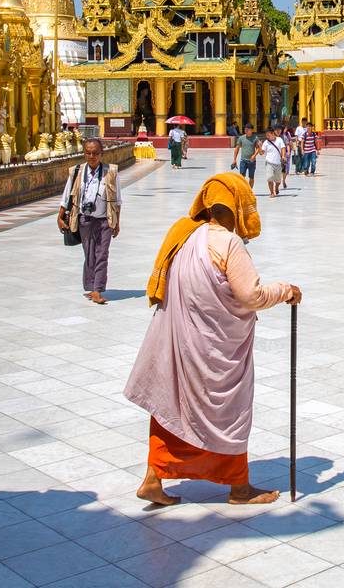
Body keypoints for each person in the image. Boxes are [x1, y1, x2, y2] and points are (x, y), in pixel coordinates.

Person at [128, 173, 301, 506]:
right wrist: (286, 291)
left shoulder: (185, 237)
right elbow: (250, 295)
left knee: (175, 406)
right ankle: (238, 488)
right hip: (215, 348)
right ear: (235, 208)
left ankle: (154, 477)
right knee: (227, 411)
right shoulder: (228, 243)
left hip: (182, 344)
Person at [59, 138, 122, 305]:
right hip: (84, 220)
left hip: (105, 220)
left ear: (101, 154)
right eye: (88, 153)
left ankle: (97, 289)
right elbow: (67, 196)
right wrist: (60, 216)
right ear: (84, 153)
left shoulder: (111, 172)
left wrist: (117, 222)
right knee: (89, 254)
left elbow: (117, 200)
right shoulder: (77, 172)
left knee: (102, 254)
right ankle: (90, 286)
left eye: (95, 153)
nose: (92, 156)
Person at [258, 125, 286, 198]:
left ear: (273, 133)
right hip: (269, 163)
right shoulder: (266, 143)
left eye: (268, 135)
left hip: (278, 164)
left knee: (278, 181)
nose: (267, 136)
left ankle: (276, 187)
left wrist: (283, 156)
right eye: (266, 135)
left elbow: (283, 148)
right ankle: (272, 193)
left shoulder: (279, 140)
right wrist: (260, 146)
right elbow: (261, 153)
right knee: (269, 178)